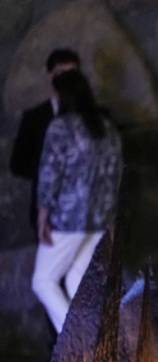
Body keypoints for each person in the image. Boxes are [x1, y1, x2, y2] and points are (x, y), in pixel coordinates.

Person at [31, 69, 122, 333]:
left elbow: (50, 174)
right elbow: (115, 176)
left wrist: (42, 215)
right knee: (77, 283)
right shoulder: (106, 128)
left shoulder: (61, 127)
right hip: (98, 220)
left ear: (61, 95)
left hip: (68, 219)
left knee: (43, 281)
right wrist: (111, 220)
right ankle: (93, 342)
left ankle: (76, 342)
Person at [9, 48, 82, 231]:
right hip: (48, 214)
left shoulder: (93, 117)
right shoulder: (34, 118)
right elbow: (18, 164)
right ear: (50, 76)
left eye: (71, 74)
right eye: (60, 74)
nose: (66, 81)